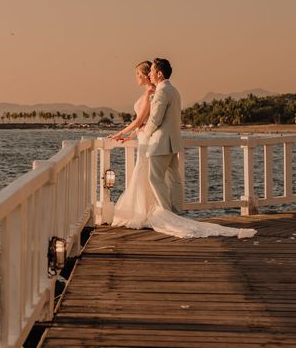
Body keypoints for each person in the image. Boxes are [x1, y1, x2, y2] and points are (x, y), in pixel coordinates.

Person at [110, 58, 256, 239]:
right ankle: (176, 211)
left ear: (159, 74)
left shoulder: (162, 92)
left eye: (152, 71)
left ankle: (166, 215)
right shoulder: (174, 90)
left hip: (160, 142)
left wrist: (143, 135)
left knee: (155, 179)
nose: (150, 75)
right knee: (174, 178)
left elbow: (155, 120)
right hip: (173, 143)